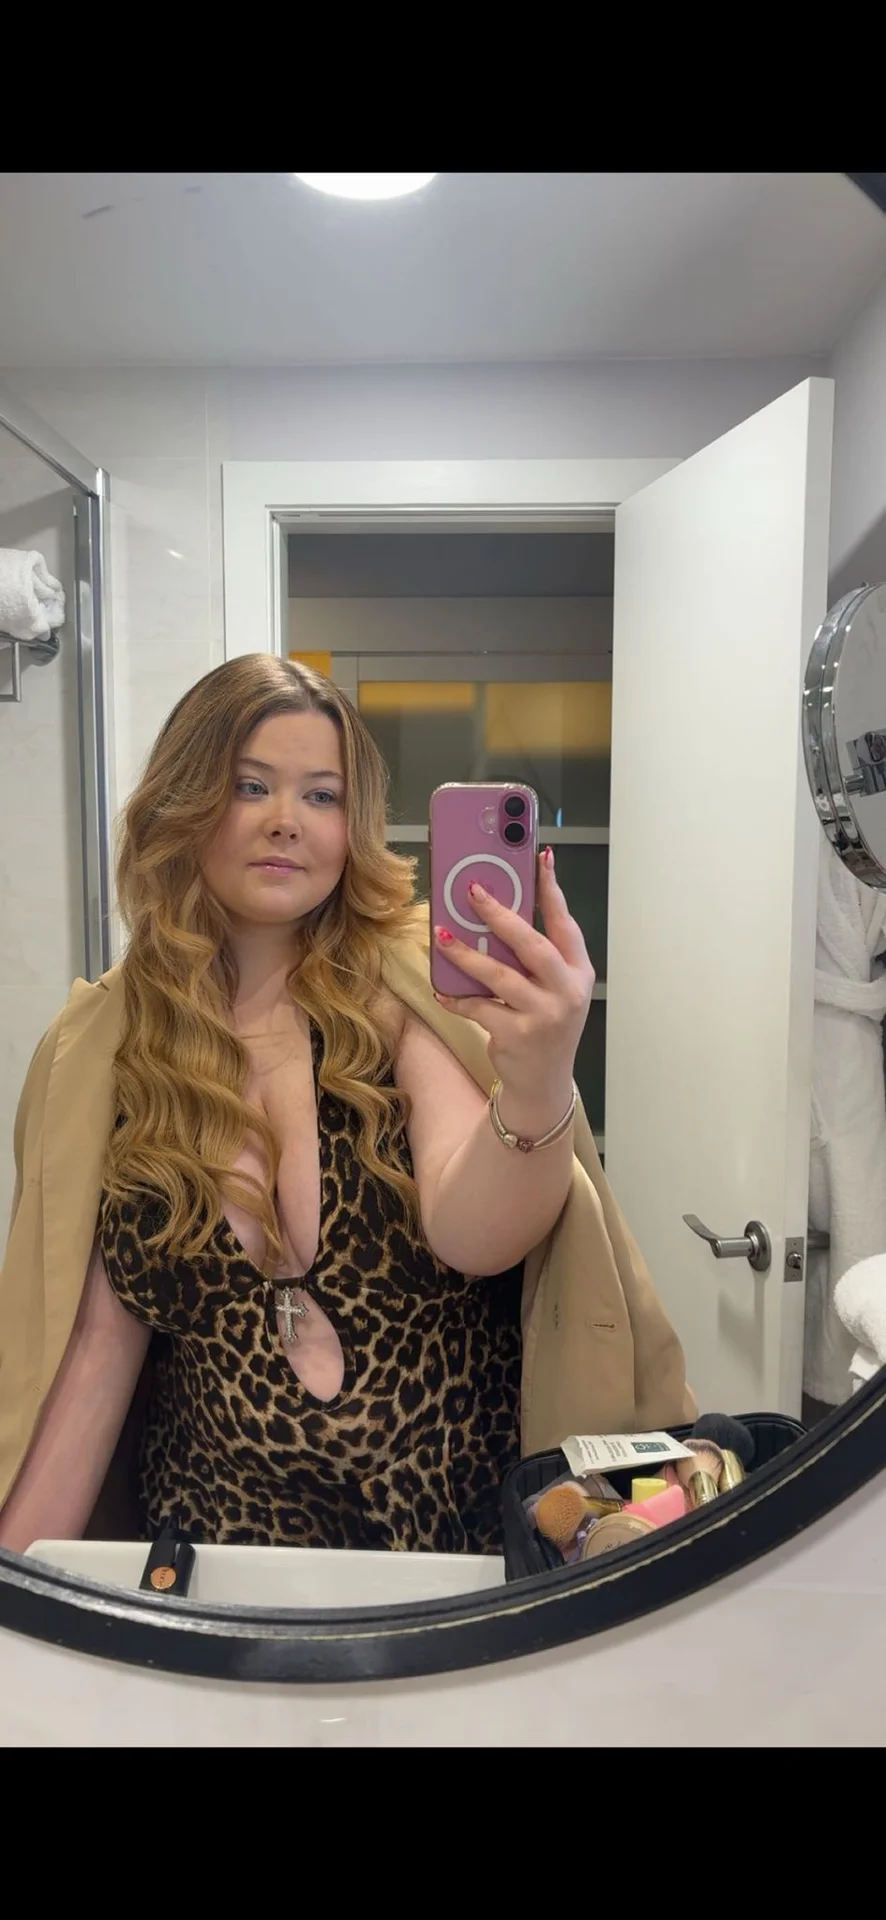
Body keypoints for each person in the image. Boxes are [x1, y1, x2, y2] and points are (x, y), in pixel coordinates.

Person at [0, 656, 693, 1557]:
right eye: (250, 785)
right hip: (216, 1561)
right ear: (184, 801)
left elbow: (473, 1234)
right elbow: (94, 1351)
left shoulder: (406, 994)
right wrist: (21, 1594)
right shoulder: (107, 1050)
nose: (286, 820)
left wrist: (537, 1081)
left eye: (322, 795)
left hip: (447, 1557)